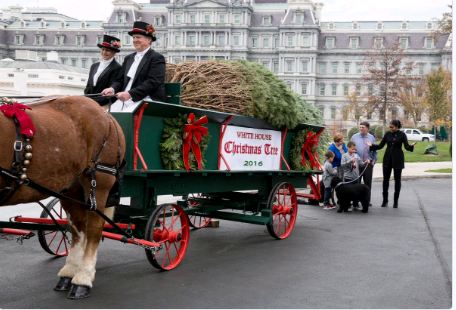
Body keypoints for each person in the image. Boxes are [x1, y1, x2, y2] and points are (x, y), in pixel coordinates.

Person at [102, 21, 166, 111]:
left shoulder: (157, 57)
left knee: (124, 117)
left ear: (149, 39)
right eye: (134, 37)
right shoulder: (129, 58)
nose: (135, 40)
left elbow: (153, 81)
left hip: (146, 99)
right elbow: (119, 80)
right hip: (125, 99)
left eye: (138, 37)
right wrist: (112, 89)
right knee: (106, 117)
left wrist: (130, 94)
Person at [369, 120, 415, 208]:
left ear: (397, 127)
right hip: (387, 159)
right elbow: (380, 146)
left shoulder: (402, 135)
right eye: (389, 127)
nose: (390, 128)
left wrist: (411, 146)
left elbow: (406, 146)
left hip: (398, 159)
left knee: (397, 180)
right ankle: (385, 200)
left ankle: (395, 202)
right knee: (385, 180)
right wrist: (371, 146)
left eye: (392, 127)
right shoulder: (387, 134)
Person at [84, 34, 122, 106]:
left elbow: (114, 86)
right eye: (103, 49)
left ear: (114, 52)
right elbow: (88, 86)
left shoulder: (118, 68)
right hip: (89, 103)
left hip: (104, 104)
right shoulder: (94, 66)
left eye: (107, 50)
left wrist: (97, 103)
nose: (104, 52)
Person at [350, 121, 377, 205]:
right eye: (360, 127)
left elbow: (375, 151)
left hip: (368, 164)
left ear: (367, 129)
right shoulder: (354, 137)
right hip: (357, 164)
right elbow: (350, 149)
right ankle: (355, 201)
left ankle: (366, 201)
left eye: (363, 127)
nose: (361, 128)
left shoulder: (371, 137)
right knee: (356, 183)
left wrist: (373, 161)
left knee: (367, 183)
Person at [340, 141, 370, 211]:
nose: (354, 151)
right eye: (352, 149)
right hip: (348, 177)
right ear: (348, 147)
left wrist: (366, 162)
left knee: (356, 192)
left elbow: (361, 164)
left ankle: (355, 204)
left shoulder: (356, 155)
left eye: (354, 149)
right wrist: (350, 161)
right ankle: (348, 206)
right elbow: (342, 165)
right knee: (348, 193)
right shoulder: (344, 155)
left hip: (356, 177)